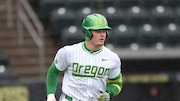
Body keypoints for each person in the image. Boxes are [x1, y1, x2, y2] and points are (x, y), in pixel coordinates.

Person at [46, 13, 123, 101]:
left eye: (104, 31)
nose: (102, 35)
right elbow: (53, 71)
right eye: (98, 31)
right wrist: (50, 94)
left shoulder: (112, 57)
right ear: (87, 32)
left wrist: (109, 93)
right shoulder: (68, 51)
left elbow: (116, 82)